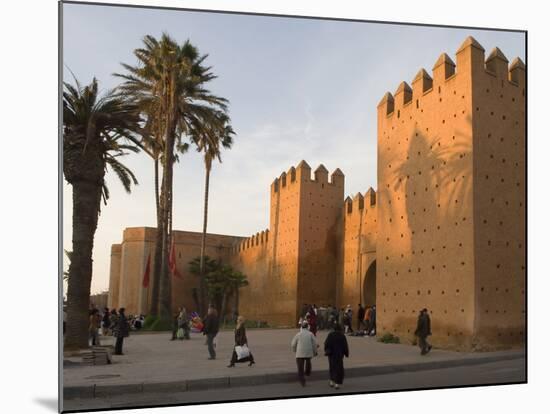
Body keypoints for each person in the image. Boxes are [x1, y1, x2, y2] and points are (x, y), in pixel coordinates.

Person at [291, 321, 318, 386]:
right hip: (308, 352)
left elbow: (293, 344)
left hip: (299, 353)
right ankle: (308, 372)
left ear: (301, 327)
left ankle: (302, 381)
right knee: (308, 361)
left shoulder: (298, 334)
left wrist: (295, 350)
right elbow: (315, 344)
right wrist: (315, 352)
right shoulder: (311, 334)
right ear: (307, 327)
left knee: (300, 368)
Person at [324, 323, 349, 389]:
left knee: (332, 367)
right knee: (339, 368)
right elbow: (345, 345)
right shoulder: (342, 335)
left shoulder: (330, 335)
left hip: (332, 354)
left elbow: (326, 343)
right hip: (339, 354)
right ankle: (337, 383)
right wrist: (346, 353)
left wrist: (326, 350)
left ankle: (332, 381)